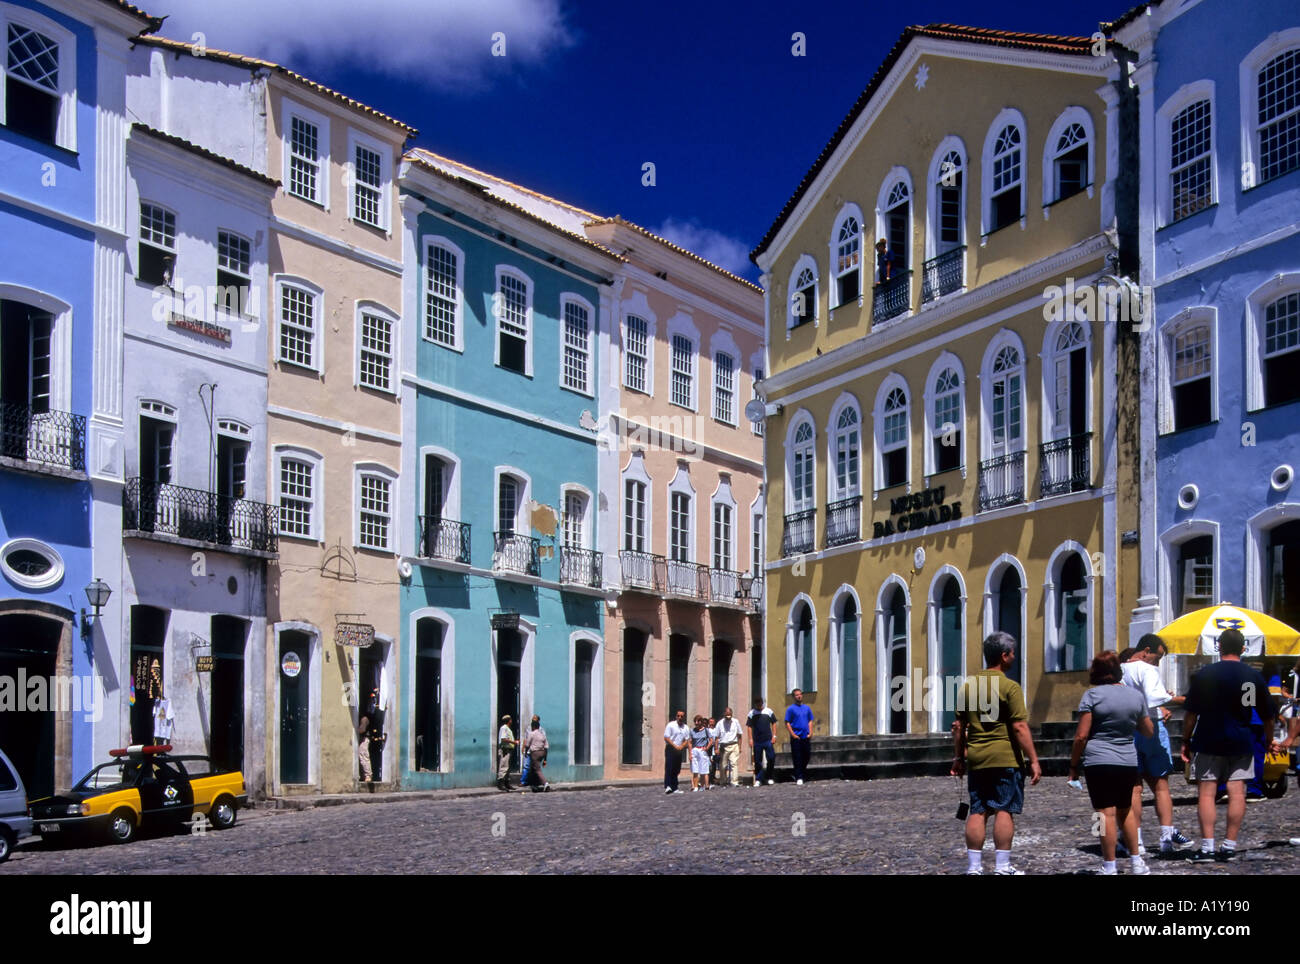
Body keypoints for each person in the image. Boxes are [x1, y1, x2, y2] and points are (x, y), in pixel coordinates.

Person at [950, 631, 1042, 875]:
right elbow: (1020, 727)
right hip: (1005, 757)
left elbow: (959, 727)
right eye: (1012, 653)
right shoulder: (1010, 687)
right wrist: (1033, 759)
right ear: (1004, 656)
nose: (1014, 657)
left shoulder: (967, 688)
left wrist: (959, 757)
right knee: (1004, 809)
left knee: (977, 810)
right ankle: (1002, 867)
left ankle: (974, 868)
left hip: (978, 759)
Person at [1181, 627, 1275, 862]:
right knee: (1237, 793)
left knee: (1206, 794)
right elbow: (1264, 714)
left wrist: (1185, 739)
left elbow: (1191, 714)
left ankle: (1207, 847)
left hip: (1209, 737)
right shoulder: (1251, 677)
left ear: (1218, 647)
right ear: (1243, 649)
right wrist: (1269, 739)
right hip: (1241, 739)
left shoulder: (1205, 675)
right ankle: (1230, 845)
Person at [1070, 651, 1156, 875]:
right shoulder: (1135, 696)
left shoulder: (1092, 696)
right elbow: (1148, 730)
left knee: (1104, 813)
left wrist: (1073, 766)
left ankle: (1109, 866)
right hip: (1127, 760)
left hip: (1099, 760)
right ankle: (1137, 861)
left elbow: (1081, 736)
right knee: (1125, 811)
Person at [1121, 636, 1191, 854]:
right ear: (1146, 651)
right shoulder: (1148, 670)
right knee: (1161, 786)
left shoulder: (1118, 669)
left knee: (1134, 788)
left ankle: (1137, 841)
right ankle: (1166, 839)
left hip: (1127, 728)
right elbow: (1153, 697)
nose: (1157, 663)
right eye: (1158, 657)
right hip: (1151, 726)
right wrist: (1183, 699)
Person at [785, 689, 814, 785]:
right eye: (797, 695)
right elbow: (787, 722)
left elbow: (810, 720)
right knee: (797, 757)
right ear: (794, 697)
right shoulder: (791, 709)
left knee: (807, 755)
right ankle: (799, 776)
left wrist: (810, 732)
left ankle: (801, 773)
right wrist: (793, 734)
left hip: (805, 736)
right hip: (796, 737)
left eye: (800, 694)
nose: (799, 696)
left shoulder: (807, 708)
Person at [747, 697, 777, 786]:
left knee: (771, 758)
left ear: (762, 702)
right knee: (757, 760)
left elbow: (774, 723)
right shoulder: (752, 713)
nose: (758, 704)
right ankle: (758, 779)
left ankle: (769, 776)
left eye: (759, 702)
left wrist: (774, 736)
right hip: (757, 741)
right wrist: (750, 739)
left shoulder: (769, 711)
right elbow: (749, 726)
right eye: (756, 703)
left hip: (768, 739)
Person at [664, 710, 690, 794]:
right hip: (671, 748)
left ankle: (675, 787)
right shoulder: (671, 725)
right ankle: (668, 786)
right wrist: (675, 746)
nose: (680, 718)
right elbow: (666, 737)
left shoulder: (685, 727)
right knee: (669, 768)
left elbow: (687, 739)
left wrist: (681, 746)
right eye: (678, 716)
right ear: (676, 716)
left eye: (682, 716)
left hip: (679, 750)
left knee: (677, 769)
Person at [715, 707, 743, 786]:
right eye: (727, 715)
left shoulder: (735, 722)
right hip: (724, 746)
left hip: (734, 745)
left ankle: (734, 781)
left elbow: (740, 734)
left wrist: (740, 746)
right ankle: (723, 781)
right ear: (724, 714)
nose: (728, 717)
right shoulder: (720, 723)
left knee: (734, 763)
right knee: (723, 765)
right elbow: (716, 737)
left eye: (730, 715)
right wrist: (716, 748)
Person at [522, 717, 551, 792]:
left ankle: (545, 784)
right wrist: (545, 759)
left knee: (537, 769)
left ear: (533, 727)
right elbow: (546, 747)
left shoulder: (531, 734)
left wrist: (525, 752)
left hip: (535, 753)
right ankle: (533, 784)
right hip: (542, 752)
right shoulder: (542, 735)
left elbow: (527, 744)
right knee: (532, 768)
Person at [689, 715, 714, 791]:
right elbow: (690, 742)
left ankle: (702, 785)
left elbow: (711, 740)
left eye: (698, 721)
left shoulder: (706, 730)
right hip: (695, 750)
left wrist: (707, 747)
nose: (696, 723)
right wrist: (690, 753)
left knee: (703, 769)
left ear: (701, 722)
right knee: (695, 769)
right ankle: (696, 786)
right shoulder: (692, 731)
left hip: (702, 750)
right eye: (695, 721)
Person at [496, 714, 517, 791]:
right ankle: (500, 783)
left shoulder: (508, 728)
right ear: (509, 720)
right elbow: (503, 739)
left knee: (507, 768)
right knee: (503, 767)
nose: (511, 721)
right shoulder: (504, 728)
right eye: (510, 719)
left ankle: (507, 783)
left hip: (508, 750)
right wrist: (514, 742)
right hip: (505, 750)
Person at [519, 714, 540, 787]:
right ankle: (523, 781)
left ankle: (535, 782)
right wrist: (523, 747)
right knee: (526, 766)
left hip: (536, 751)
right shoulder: (528, 728)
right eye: (532, 719)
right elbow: (526, 738)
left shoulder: (541, 730)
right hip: (528, 751)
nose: (533, 720)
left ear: (538, 720)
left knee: (535, 767)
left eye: (535, 719)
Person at [357, 702, 373, 783]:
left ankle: (368, 775)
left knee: (363, 755)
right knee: (360, 757)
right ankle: (362, 775)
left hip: (364, 739)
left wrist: (355, 731)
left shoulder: (364, 719)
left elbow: (362, 729)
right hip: (361, 738)